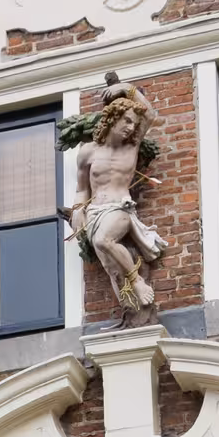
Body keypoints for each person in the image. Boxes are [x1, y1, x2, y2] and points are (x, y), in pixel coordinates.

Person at [69, 79, 167, 323]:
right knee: (113, 270)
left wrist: (126, 89)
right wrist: (77, 211)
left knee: (105, 240)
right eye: (127, 121)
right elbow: (82, 189)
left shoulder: (131, 147)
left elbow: (151, 115)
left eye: (134, 124)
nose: (131, 128)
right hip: (95, 213)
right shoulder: (87, 152)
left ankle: (138, 282)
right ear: (113, 118)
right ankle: (132, 314)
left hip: (120, 207)